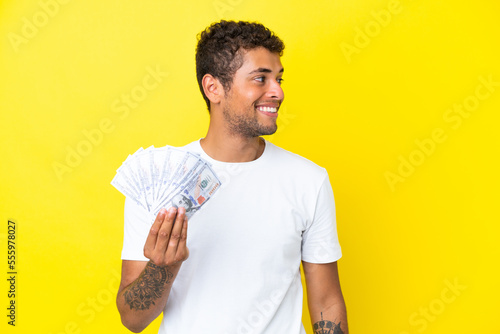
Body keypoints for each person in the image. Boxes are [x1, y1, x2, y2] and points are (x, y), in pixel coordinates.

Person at [116, 20, 348, 334]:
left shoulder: (309, 180)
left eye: (279, 79)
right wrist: (163, 267)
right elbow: (132, 320)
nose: (277, 92)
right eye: (260, 79)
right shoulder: (159, 180)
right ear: (213, 88)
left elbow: (327, 301)